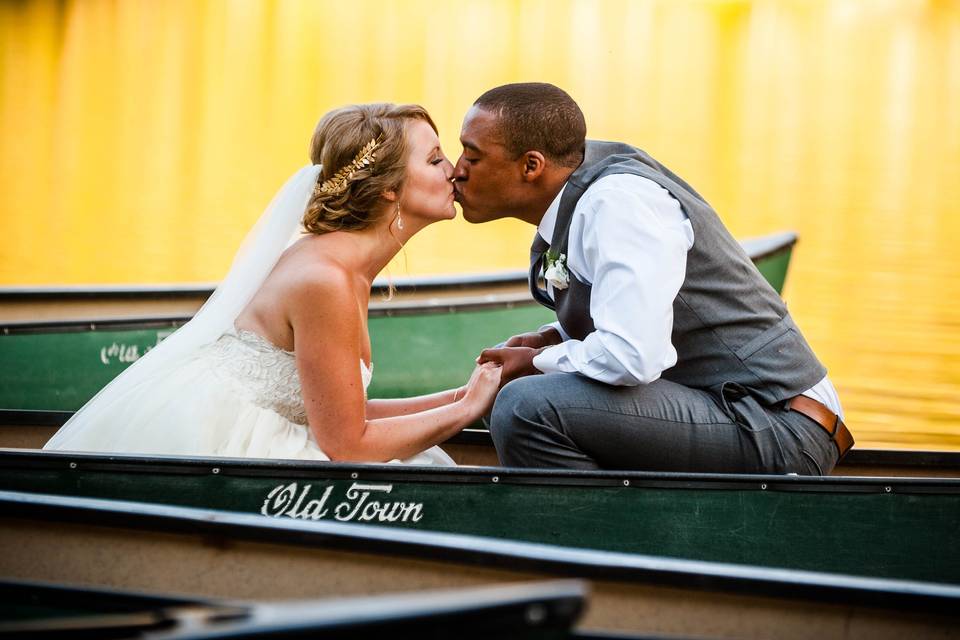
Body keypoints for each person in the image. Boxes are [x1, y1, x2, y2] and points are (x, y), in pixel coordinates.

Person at [45, 103, 502, 463]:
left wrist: (467, 391)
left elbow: (344, 413)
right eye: (435, 158)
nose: (454, 170)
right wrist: (464, 412)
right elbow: (347, 444)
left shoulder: (340, 262)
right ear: (388, 188)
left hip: (280, 424)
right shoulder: (326, 279)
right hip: (217, 442)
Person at [452, 82, 853, 474]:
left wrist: (538, 361)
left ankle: (596, 536)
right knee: (507, 384)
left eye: (473, 156)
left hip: (778, 422)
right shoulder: (583, 191)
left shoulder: (617, 204)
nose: (458, 171)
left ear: (531, 166)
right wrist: (552, 338)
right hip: (728, 406)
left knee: (525, 405)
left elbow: (633, 356)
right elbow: (631, 309)